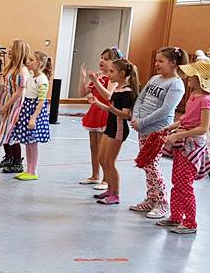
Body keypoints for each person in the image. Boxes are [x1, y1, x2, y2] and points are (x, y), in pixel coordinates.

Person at [156, 59, 210, 234]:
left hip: (191, 146)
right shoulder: (194, 95)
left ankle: (190, 222)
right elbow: (186, 119)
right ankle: (176, 216)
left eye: (192, 75)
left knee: (185, 185)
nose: (188, 77)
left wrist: (178, 135)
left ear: (201, 79)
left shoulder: (206, 100)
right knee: (177, 182)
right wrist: (171, 127)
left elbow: (203, 128)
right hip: (182, 143)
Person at [129, 46, 187, 218]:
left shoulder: (176, 84)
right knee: (146, 164)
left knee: (151, 165)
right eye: (156, 60)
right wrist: (136, 117)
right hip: (143, 127)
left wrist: (142, 122)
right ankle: (151, 198)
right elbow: (141, 98)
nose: (156, 64)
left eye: (161, 61)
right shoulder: (155, 78)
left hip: (158, 130)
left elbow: (165, 110)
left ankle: (162, 202)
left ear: (173, 63)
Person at [86, 59, 139, 204]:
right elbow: (111, 109)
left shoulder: (127, 92)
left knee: (110, 162)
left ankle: (115, 194)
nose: (109, 74)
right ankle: (109, 189)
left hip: (118, 129)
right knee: (101, 159)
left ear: (121, 73)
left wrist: (111, 109)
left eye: (112, 71)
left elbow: (126, 115)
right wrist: (97, 103)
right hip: (110, 127)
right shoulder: (117, 89)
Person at [79, 47, 120, 190]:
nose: (102, 61)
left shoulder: (113, 78)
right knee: (93, 147)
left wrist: (95, 81)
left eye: (106, 59)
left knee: (104, 151)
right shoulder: (98, 75)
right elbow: (82, 93)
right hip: (94, 113)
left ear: (114, 62)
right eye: (101, 57)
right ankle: (95, 175)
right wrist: (83, 77)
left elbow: (108, 95)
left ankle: (106, 179)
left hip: (105, 114)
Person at [14, 50, 52, 181]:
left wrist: (33, 117)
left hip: (34, 112)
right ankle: (28, 169)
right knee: (27, 143)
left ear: (39, 64)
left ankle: (33, 171)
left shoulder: (42, 80)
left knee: (33, 143)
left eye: (31, 60)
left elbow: (41, 101)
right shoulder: (31, 77)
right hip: (27, 109)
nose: (28, 62)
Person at [0, 39, 32, 173]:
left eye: (12, 48)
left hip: (15, 103)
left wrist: (6, 106)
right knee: (3, 129)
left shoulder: (22, 70)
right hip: (6, 99)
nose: (9, 50)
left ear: (19, 51)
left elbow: (20, 91)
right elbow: (3, 85)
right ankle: (9, 157)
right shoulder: (9, 67)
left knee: (11, 131)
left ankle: (17, 162)